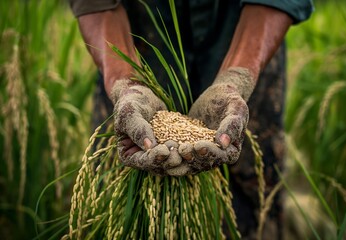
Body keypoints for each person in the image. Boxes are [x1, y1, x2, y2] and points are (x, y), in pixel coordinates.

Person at [69, 0, 313, 238]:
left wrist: (236, 78)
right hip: (138, 38)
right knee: (120, 195)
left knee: (251, 205)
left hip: (243, 34)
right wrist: (125, 82)